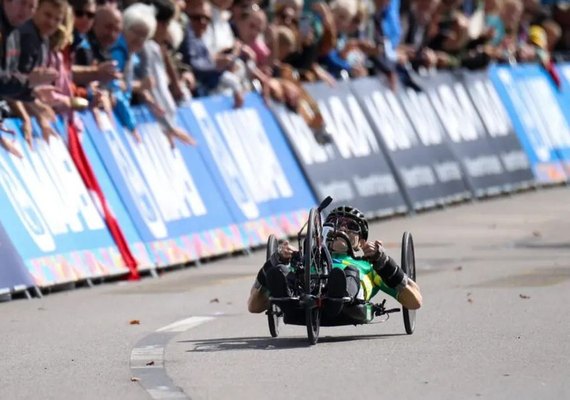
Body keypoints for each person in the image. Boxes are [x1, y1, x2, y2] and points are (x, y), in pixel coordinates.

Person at [248, 205, 422, 322]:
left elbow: (415, 301)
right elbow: (253, 306)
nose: (342, 229)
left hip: (348, 301)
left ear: (361, 242)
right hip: (301, 299)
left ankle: (338, 296)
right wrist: (274, 261)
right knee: (281, 271)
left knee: (349, 272)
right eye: (336, 224)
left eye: (351, 225)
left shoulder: (370, 267)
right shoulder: (305, 262)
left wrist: (384, 262)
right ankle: (287, 301)